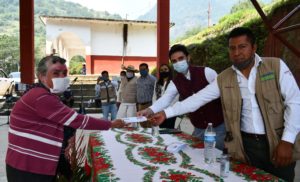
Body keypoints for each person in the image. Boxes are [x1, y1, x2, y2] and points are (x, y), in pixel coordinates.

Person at [150, 27, 300, 182]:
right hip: (244, 145)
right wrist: (165, 113)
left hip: (277, 141)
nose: (236, 53)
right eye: (232, 48)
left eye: (242, 47)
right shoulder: (224, 78)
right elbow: (197, 99)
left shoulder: (275, 66)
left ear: (254, 47)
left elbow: (295, 103)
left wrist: (287, 140)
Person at [5, 55, 126, 181]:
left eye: (64, 73)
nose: (62, 77)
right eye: (56, 73)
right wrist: (110, 124)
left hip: (30, 163)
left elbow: (60, 122)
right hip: (28, 168)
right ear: (41, 76)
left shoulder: (41, 93)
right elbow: (77, 120)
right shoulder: (41, 97)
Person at [138, 44, 225, 150]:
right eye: (174, 61)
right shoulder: (175, 82)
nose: (178, 63)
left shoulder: (206, 72)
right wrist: (150, 110)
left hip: (219, 126)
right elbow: (166, 99)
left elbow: (222, 93)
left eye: (181, 59)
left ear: (188, 58)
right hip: (199, 127)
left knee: (219, 155)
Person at [152, 64, 177, 129]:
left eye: (165, 69)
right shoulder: (157, 83)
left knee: (169, 130)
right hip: (159, 111)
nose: (163, 71)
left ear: (169, 71)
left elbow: (175, 99)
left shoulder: (174, 82)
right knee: (161, 129)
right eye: (161, 70)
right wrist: (155, 109)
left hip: (170, 111)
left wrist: (165, 110)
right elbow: (154, 97)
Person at [137, 63, 156, 128]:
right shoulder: (138, 80)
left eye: (143, 69)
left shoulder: (152, 79)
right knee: (142, 123)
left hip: (149, 104)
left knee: (149, 123)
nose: (142, 71)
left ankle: (150, 138)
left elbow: (156, 91)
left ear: (148, 69)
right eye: (140, 70)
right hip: (140, 105)